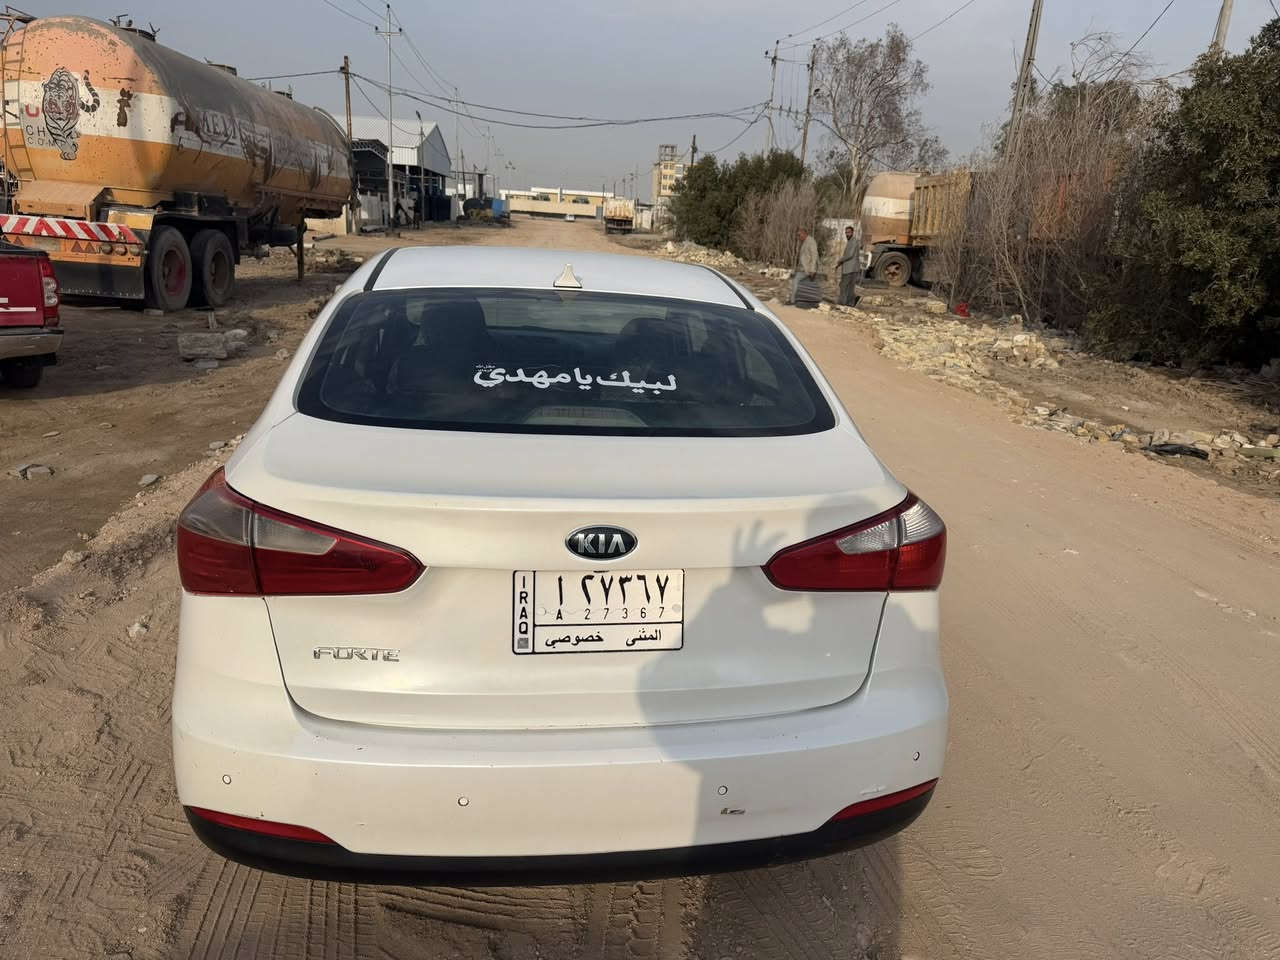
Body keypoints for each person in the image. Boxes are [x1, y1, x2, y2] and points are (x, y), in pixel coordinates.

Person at [835, 223, 863, 307]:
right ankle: (850, 303)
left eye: (849, 232)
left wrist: (840, 260)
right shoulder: (850, 241)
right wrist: (840, 264)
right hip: (851, 268)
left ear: (852, 232)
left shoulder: (853, 241)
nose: (847, 234)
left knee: (844, 286)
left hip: (850, 269)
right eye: (846, 232)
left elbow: (850, 255)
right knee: (849, 287)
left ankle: (842, 303)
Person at [790, 227, 819, 305]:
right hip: (803, 268)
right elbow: (803, 257)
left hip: (808, 269)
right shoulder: (805, 242)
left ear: (804, 234)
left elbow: (814, 256)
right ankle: (802, 300)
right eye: (797, 235)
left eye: (799, 235)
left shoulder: (811, 241)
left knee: (795, 281)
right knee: (801, 283)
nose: (798, 237)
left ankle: (792, 301)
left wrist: (812, 270)